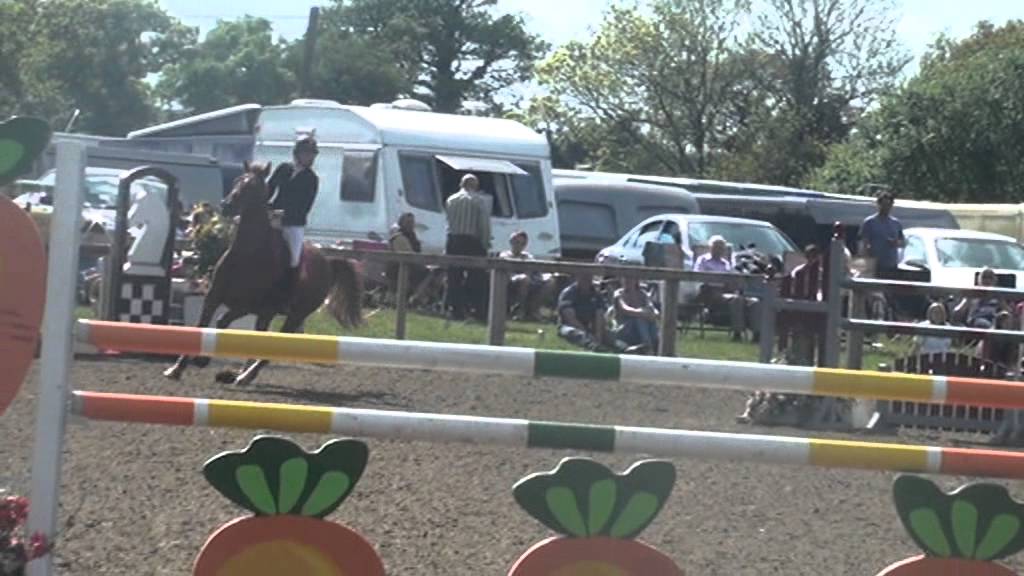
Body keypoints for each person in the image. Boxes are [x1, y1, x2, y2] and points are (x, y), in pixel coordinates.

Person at [267, 134, 319, 299]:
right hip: (272, 218)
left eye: (312, 154)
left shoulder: (311, 179)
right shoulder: (283, 169)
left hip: (293, 224)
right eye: (307, 154)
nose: (310, 158)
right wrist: (264, 206)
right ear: (297, 154)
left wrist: (284, 215)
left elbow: (305, 206)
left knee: (294, 259)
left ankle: (288, 294)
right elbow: (269, 189)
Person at [444, 173, 492, 320]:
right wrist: (485, 243)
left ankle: (455, 310)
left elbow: (449, 222)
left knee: (454, 277)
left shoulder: (451, 200)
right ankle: (478, 310)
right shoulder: (478, 200)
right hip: (472, 241)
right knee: (477, 278)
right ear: (475, 186)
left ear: (461, 184)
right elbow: (483, 225)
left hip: (453, 240)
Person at [694, 235, 748, 341]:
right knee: (737, 300)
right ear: (710, 248)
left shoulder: (726, 264)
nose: (719, 250)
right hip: (708, 292)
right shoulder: (703, 260)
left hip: (724, 291)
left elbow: (732, 278)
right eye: (717, 247)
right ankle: (737, 333)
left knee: (750, 301)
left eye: (721, 248)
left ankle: (756, 334)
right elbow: (697, 277)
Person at [499, 230, 554, 321]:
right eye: (517, 242)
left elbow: (534, 270)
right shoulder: (505, 255)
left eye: (522, 243)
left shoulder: (528, 256)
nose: (519, 245)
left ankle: (533, 309)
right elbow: (509, 273)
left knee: (550, 280)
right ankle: (520, 310)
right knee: (524, 279)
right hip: (510, 282)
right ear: (511, 242)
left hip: (530, 280)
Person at [858, 188, 905, 280]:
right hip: (875, 265)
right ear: (878, 205)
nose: (886, 207)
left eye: (888, 205)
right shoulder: (869, 222)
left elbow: (903, 243)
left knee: (890, 287)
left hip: (891, 265)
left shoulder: (896, 223)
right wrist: (865, 261)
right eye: (883, 205)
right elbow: (863, 243)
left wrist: (895, 242)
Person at [387, 212, 432, 306]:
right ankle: (416, 298)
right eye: (407, 222)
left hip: (412, 266)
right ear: (401, 223)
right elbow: (407, 256)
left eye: (412, 222)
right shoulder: (398, 237)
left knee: (437, 273)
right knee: (429, 273)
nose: (410, 224)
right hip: (399, 268)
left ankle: (423, 298)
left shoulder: (412, 236)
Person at [557, 272, 608, 351]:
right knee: (574, 333)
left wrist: (598, 335)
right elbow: (570, 319)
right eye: (584, 277)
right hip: (569, 326)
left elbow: (599, 315)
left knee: (608, 333)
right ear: (577, 277)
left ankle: (623, 347)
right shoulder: (568, 293)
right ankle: (592, 346)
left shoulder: (596, 294)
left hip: (589, 326)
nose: (587, 279)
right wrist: (586, 333)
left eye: (589, 276)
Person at [611, 276, 660, 354]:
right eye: (625, 277)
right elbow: (625, 309)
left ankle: (656, 346)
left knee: (651, 321)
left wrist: (653, 315)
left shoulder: (642, 294)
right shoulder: (618, 294)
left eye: (630, 278)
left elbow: (653, 309)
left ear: (636, 280)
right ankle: (648, 347)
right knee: (639, 319)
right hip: (623, 329)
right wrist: (642, 312)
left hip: (640, 330)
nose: (627, 280)